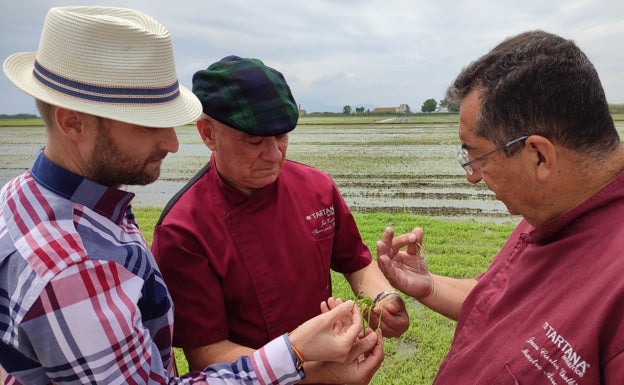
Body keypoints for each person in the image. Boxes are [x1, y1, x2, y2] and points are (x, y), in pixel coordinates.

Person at [0, 6, 383, 385]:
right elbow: (199, 356)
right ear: (73, 122)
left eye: (281, 137)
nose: (171, 142)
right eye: (148, 125)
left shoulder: (45, 201)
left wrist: (376, 300)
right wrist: (302, 360)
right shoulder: (74, 268)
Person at [377, 30, 624, 384]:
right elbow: (502, 305)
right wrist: (428, 285)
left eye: (477, 154)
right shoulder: (553, 207)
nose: (472, 176)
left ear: (539, 155)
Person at [151, 55, 408, 382]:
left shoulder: (316, 188)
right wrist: (317, 373)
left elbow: (356, 262)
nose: (275, 156)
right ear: (208, 134)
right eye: (254, 141)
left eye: (282, 137)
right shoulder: (183, 229)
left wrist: (383, 299)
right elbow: (207, 351)